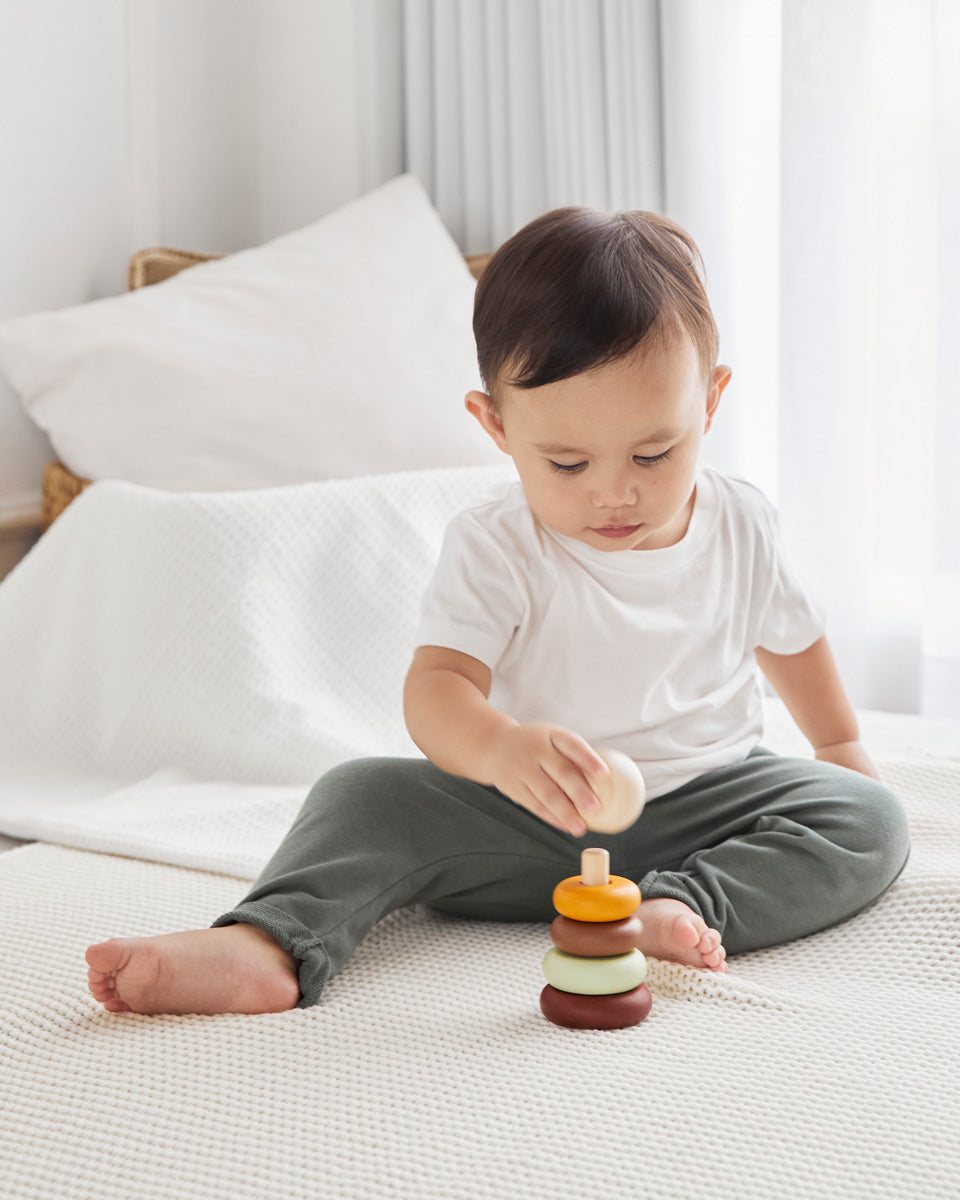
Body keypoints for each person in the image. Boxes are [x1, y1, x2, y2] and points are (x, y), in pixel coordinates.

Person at [85, 207, 910, 1016]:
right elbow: (436, 688)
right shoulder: (497, 544)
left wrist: (838, 745)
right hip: (531, 823)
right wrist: (499, 748)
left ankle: (677, 907)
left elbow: (794, 640)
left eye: (654, 454)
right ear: (496, 426)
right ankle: (271, 942)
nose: (615, 491)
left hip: (710, 805)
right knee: (360, 796)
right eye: (568, 461)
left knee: (869, 818)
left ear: (710, 404)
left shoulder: (743, 522)